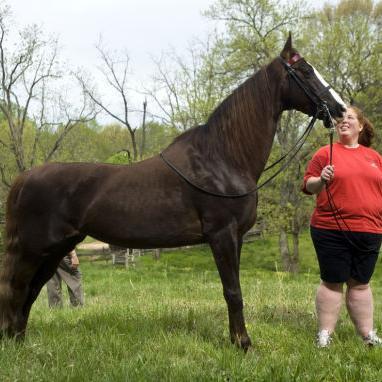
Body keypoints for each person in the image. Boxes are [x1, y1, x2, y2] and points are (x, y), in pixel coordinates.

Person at [302, 106, 382, 347]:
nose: (343, 121)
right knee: (332, 281)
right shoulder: (325, 153)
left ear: (360, 126)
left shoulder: (375, 158)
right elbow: (309, 186)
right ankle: (325, 336)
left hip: (370, 230)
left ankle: (368, 335)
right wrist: (322, 179)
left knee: (361, 284)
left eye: (350, 117)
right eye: (340, 118)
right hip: (330, 228)